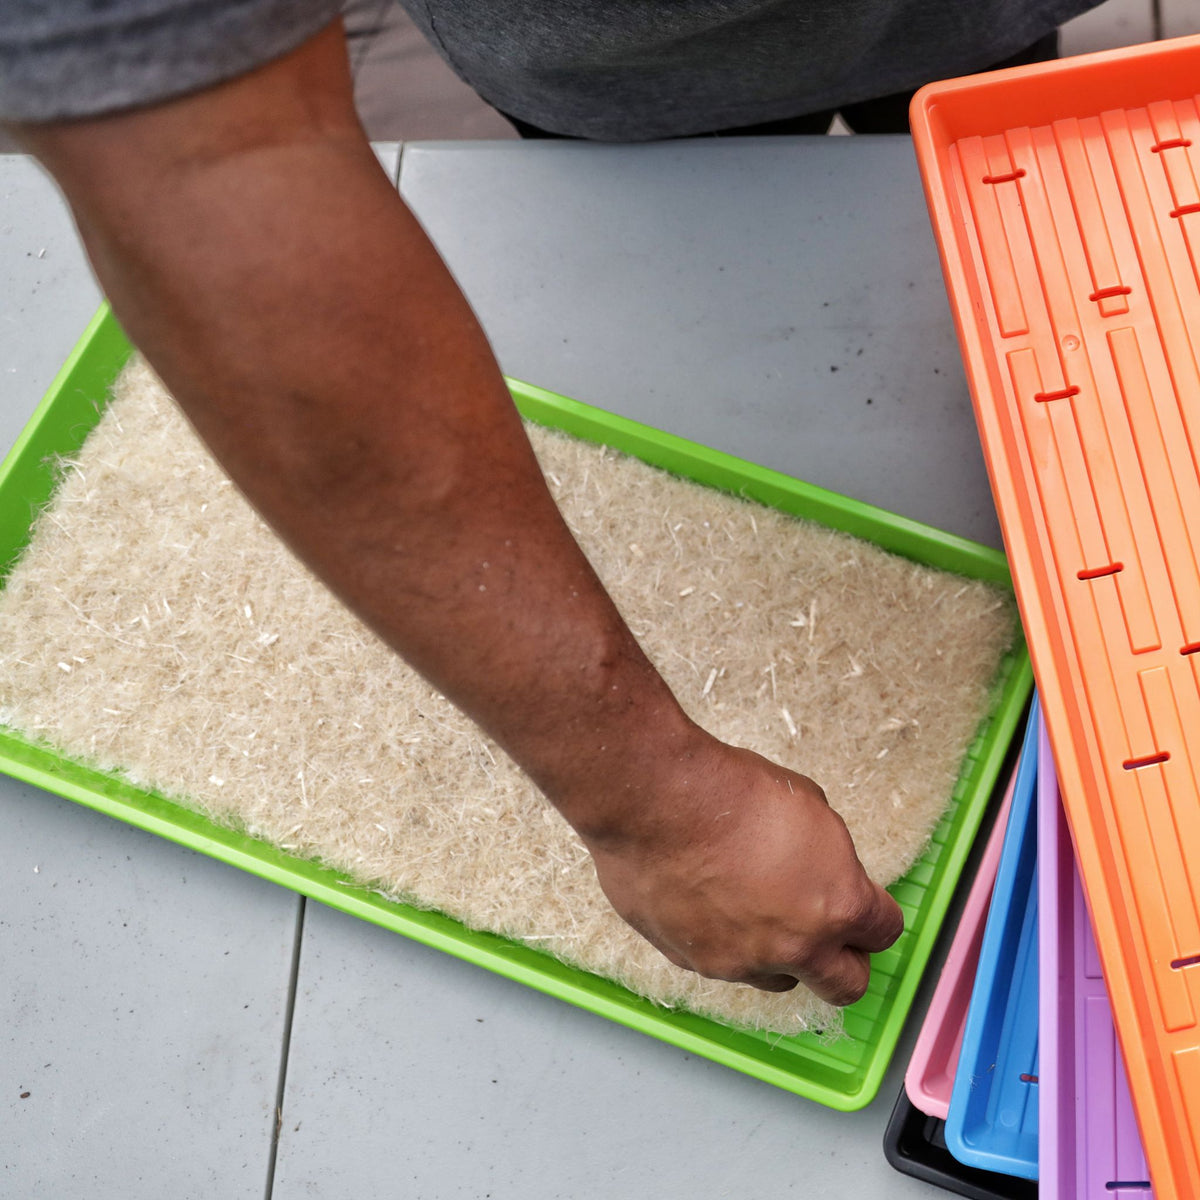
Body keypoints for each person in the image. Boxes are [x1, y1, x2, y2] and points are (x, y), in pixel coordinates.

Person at [0, 1, 1097, 1007]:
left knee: (964, 97)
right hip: (638, 64)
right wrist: (658, 804)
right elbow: (208, 157)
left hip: (980, 21)